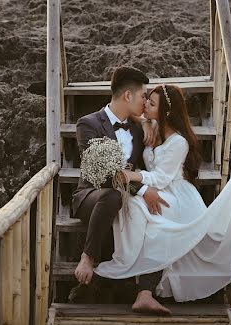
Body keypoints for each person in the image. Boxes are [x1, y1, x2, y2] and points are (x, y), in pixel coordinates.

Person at [94, 82, 231, 312]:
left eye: (151, 104)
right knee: (135, 210)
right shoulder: (154, 126)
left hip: (176, 194)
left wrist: (130, 174)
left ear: (165, 112)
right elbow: (131, 116)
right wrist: (145, 122)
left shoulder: (179, 142)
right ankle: (142, 290)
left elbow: (162, 178)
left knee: (155, 226)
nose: (145, 104)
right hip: (159, 189)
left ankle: (145, 292)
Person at [69, 66, 169, 311]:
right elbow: (104, 175)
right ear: (128, 96)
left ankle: (145, 292)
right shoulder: (88, 124)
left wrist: (145, 121)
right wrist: (143, 191)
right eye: (143, 95)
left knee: (157, 213)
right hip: (93, 195)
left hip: (128, 197)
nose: (145, 101)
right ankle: (88, 257)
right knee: (113, 196)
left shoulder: (137, 128)